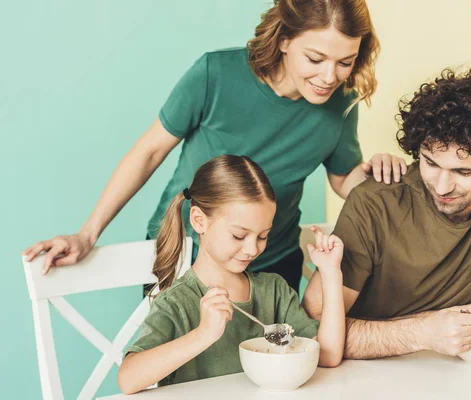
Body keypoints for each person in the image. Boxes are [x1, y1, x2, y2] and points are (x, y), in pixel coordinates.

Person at [21, 0, 406, 292]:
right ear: (285, 40)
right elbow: (149, 152)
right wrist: (88, 233)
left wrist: (379, 171)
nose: (329, 77)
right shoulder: (215, 74)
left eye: (344, 62)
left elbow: (344, 180)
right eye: (316, 58)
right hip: (185, 258)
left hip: (272, 266)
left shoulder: (341, 102)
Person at [303, 68, 471, 359]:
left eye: (464, 171)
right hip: (371, 371)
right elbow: (311, 330)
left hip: (462, 364)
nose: (442, 186)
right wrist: (423, 331)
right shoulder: (375, 202)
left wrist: (450, 325)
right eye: (430, 163)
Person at [117, 155, 345, 394]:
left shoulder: (274, 291)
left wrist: (330, 272)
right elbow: (128, 379)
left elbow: (327, 355)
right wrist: (203, 334)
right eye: (238, 235)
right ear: (199, 221)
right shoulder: (177, 302)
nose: (252, 249)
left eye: (262, 236)